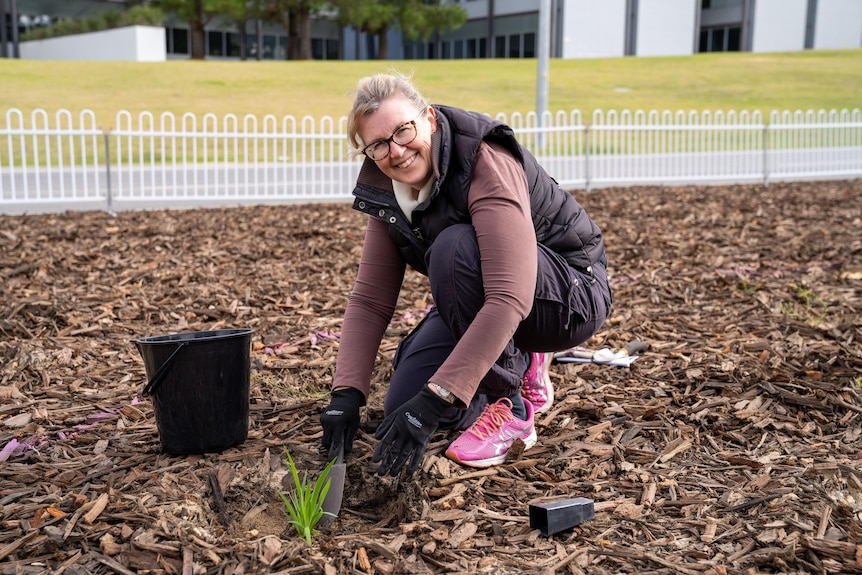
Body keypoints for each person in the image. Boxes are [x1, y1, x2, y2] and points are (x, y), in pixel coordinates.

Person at [320, 72, 611, 477]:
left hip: (568, 292)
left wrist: (439, 395)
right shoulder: (388, 188)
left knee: (454, 248)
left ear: (431, 119)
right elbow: (370, 300)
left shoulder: (483, 157)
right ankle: (516, 359)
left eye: (404, 131)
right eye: (379, 145)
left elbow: (510, 295)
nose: (397, 151)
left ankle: (512, 406)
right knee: (403, 406)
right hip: (485, 290)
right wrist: (346, 394)